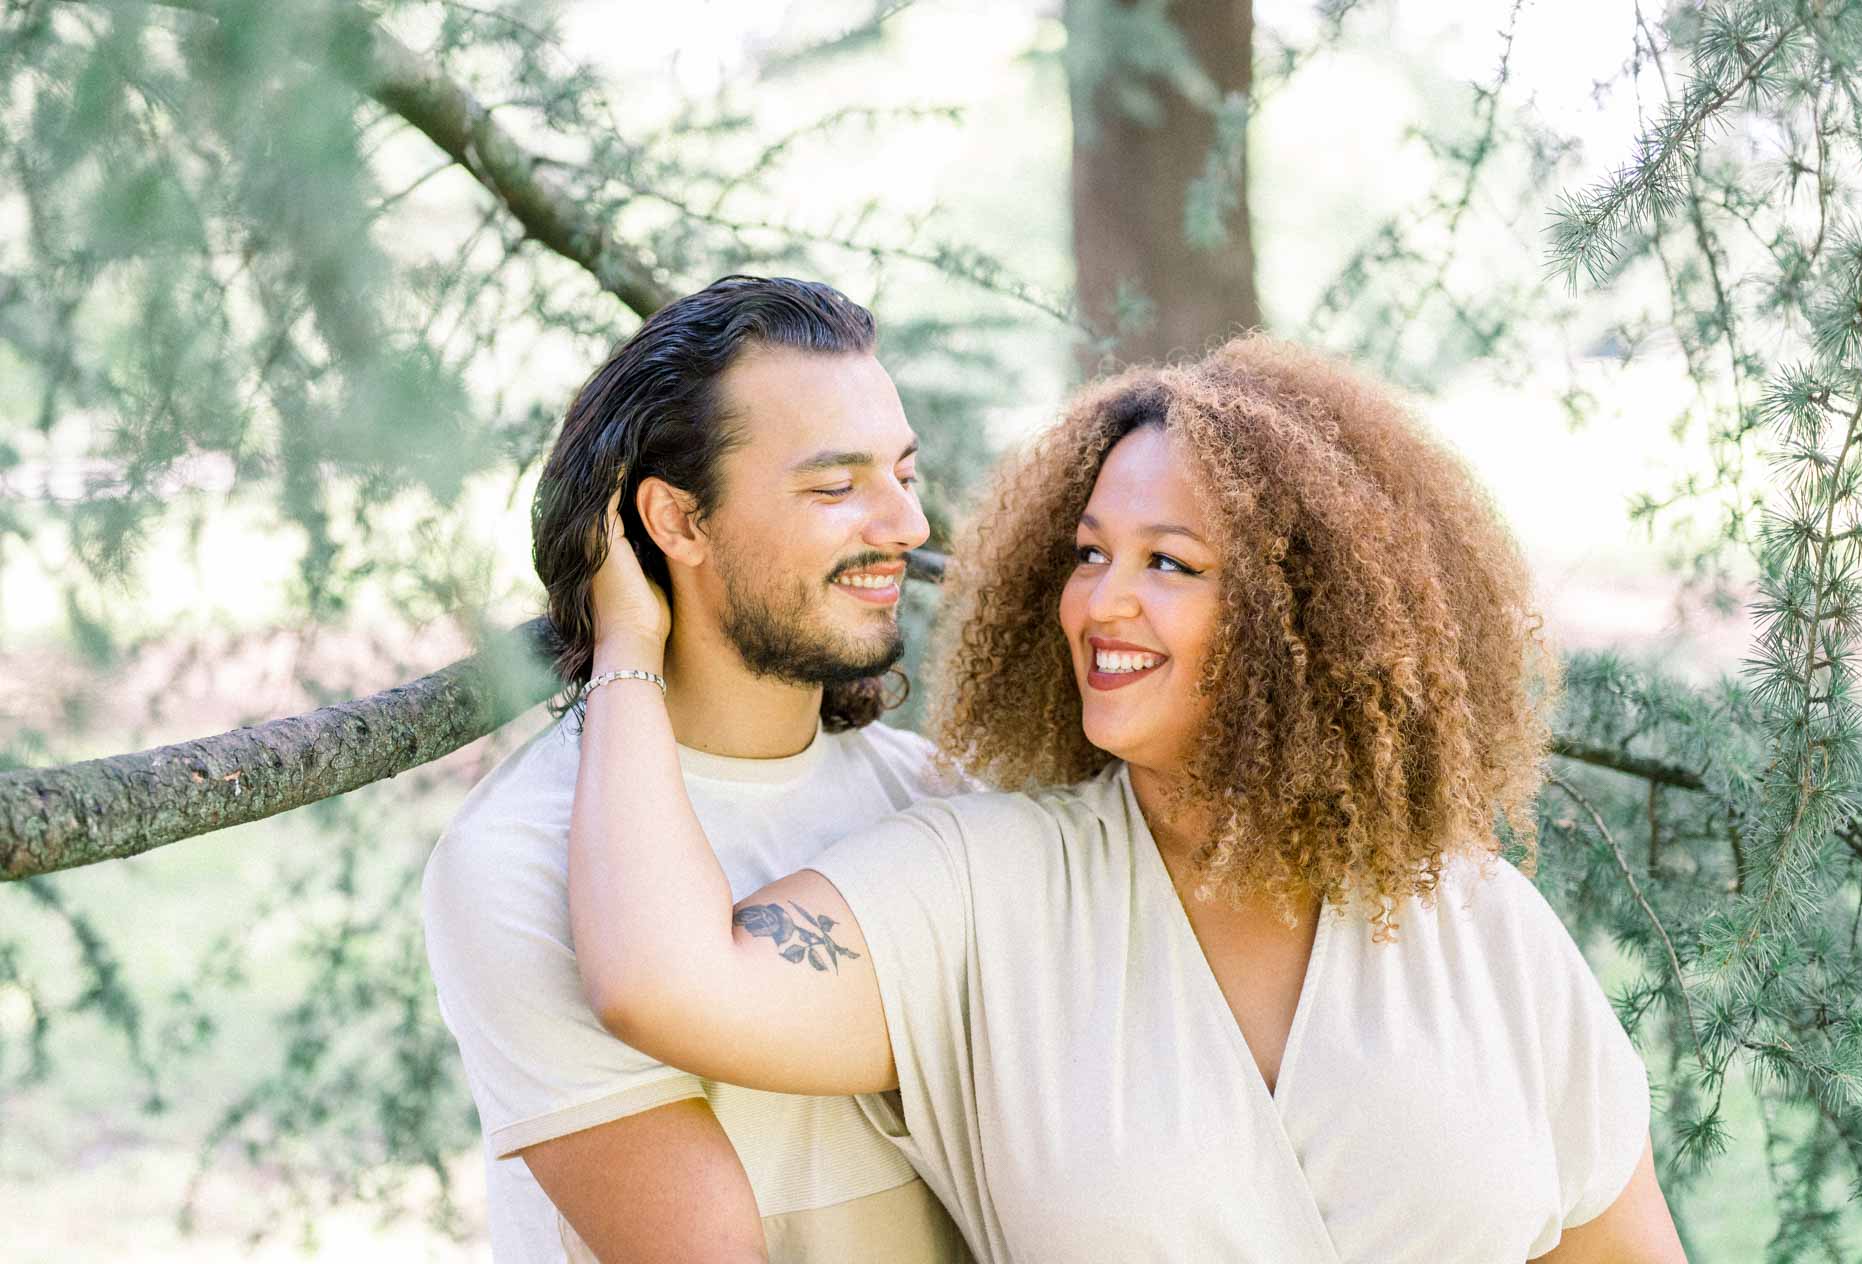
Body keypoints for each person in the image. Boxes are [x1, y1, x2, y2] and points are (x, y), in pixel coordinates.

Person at [565, 333, 1692, 1262]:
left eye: (1169, 564)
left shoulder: (1477, 924)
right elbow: (661, 983)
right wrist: (630, 643)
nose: (1102, 602)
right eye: (1089, 552)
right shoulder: (984, 889)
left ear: (1306, 621)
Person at [421, 276, 972, 1262]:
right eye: (836, 486)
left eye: (904, 473)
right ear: (678, 522)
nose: (904, 526)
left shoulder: (936, 795)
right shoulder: (518, 860)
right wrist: (627, 654)